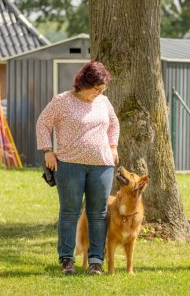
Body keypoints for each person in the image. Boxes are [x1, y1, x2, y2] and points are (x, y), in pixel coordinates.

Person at [36, 61, 120, 275]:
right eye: (96, 88)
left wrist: (113, 145)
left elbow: (114, 123)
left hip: (102, 166)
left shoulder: (104, 102)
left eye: (102, 90)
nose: (98, 93)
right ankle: (66, 259)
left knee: (98, 214)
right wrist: (47, 150)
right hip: (69, 165)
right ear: (84, 83)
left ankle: (96, 261)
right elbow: (42, 123)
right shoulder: (62, 101)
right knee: (70, 212)